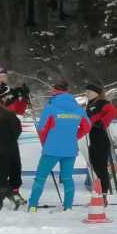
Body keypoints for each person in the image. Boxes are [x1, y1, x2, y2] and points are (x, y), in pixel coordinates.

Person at [27, 80, 89, 211]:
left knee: (40, 177)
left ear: (54, 92)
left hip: (51, 149)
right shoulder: (78, 108)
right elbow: (87, 126)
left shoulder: (51, 107)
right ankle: (68, 207)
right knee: (67, 178)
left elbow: (42, 128)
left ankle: (32, 206)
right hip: (70, 149)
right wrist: (74, 136)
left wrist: (45, 142)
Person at [82, 81, 117, 201]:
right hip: (93, 138)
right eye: (86, 91)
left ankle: (103, 195)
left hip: (101, 139)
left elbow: (113, 111)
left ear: (96, 92)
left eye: (89, 91)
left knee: (101, 168)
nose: (86, 93)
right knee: (96, 166)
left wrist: (102, 122)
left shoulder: (102, 102)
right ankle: (99, 194)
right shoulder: (90, 103)